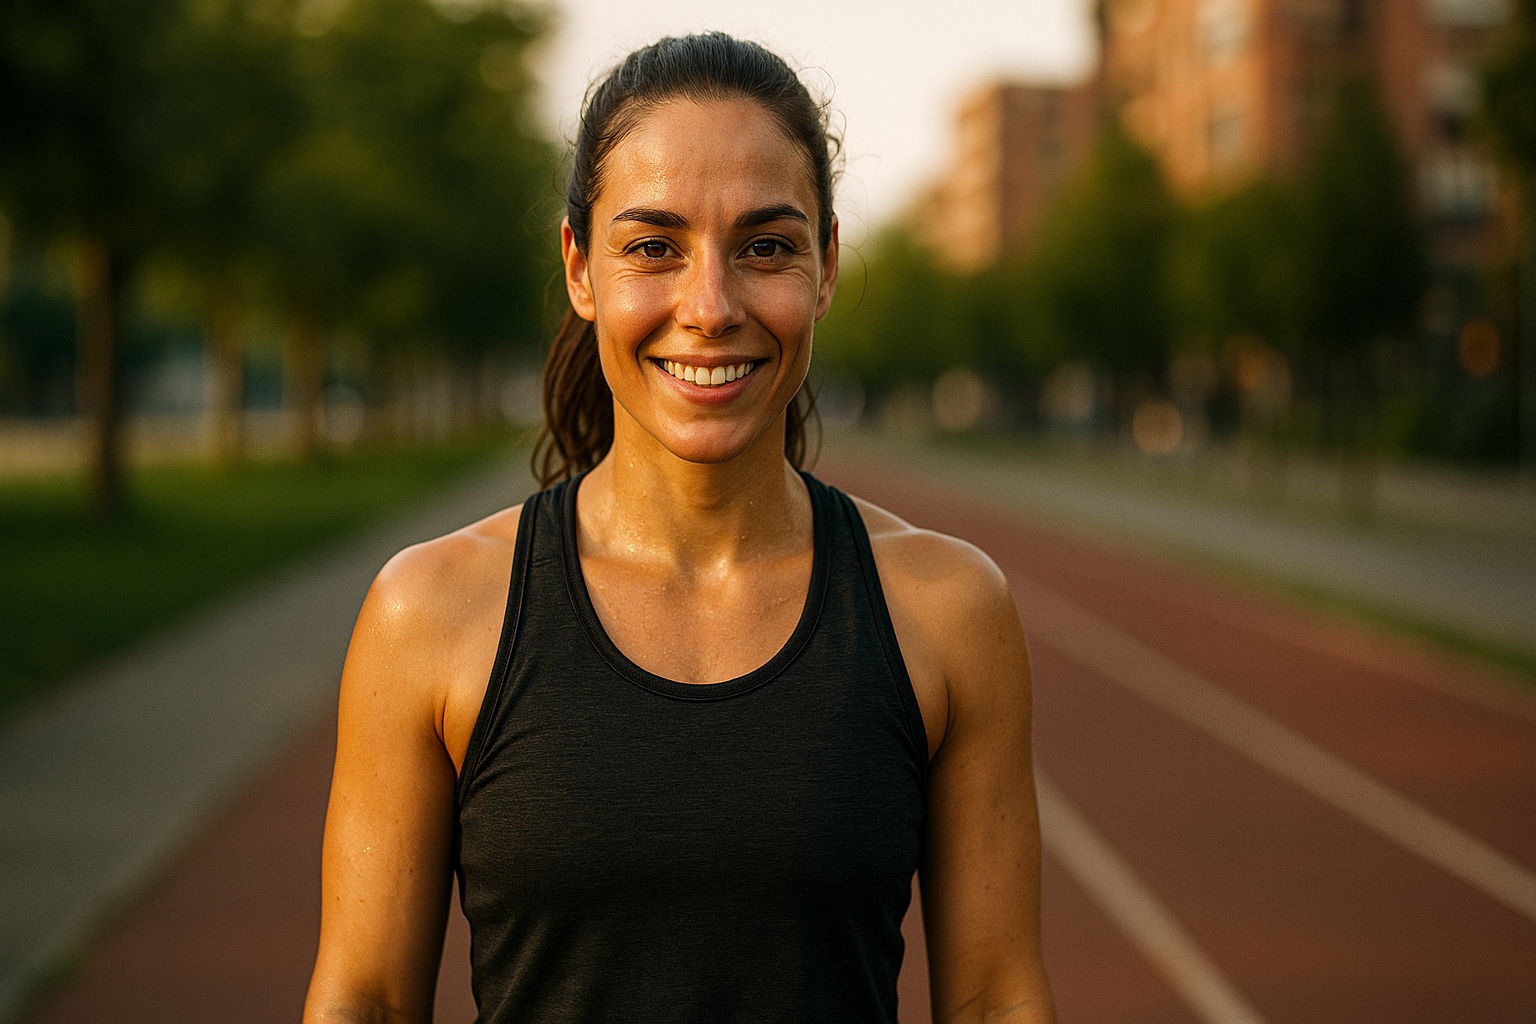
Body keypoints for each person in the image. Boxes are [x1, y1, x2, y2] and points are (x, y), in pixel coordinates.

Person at [303, 32, 1055, 1024]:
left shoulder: (949, 611)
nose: (710, 306)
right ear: (581, 269)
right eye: (654, 247)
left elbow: (998, 1001)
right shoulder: (429, 611)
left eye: (766, 247)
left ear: (826, 267)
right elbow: (364, 1000)